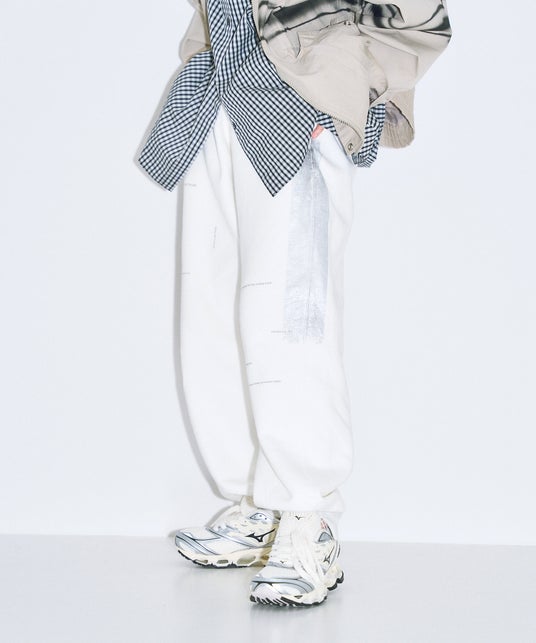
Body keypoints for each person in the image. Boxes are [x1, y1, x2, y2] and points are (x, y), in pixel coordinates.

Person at [137, 0, 452, 608]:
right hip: (216, 102)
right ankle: (260, 504)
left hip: (299, 104)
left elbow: (420, 15)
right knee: (212, 313)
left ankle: (308, 516)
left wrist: (343, 92)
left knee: (290, 316)